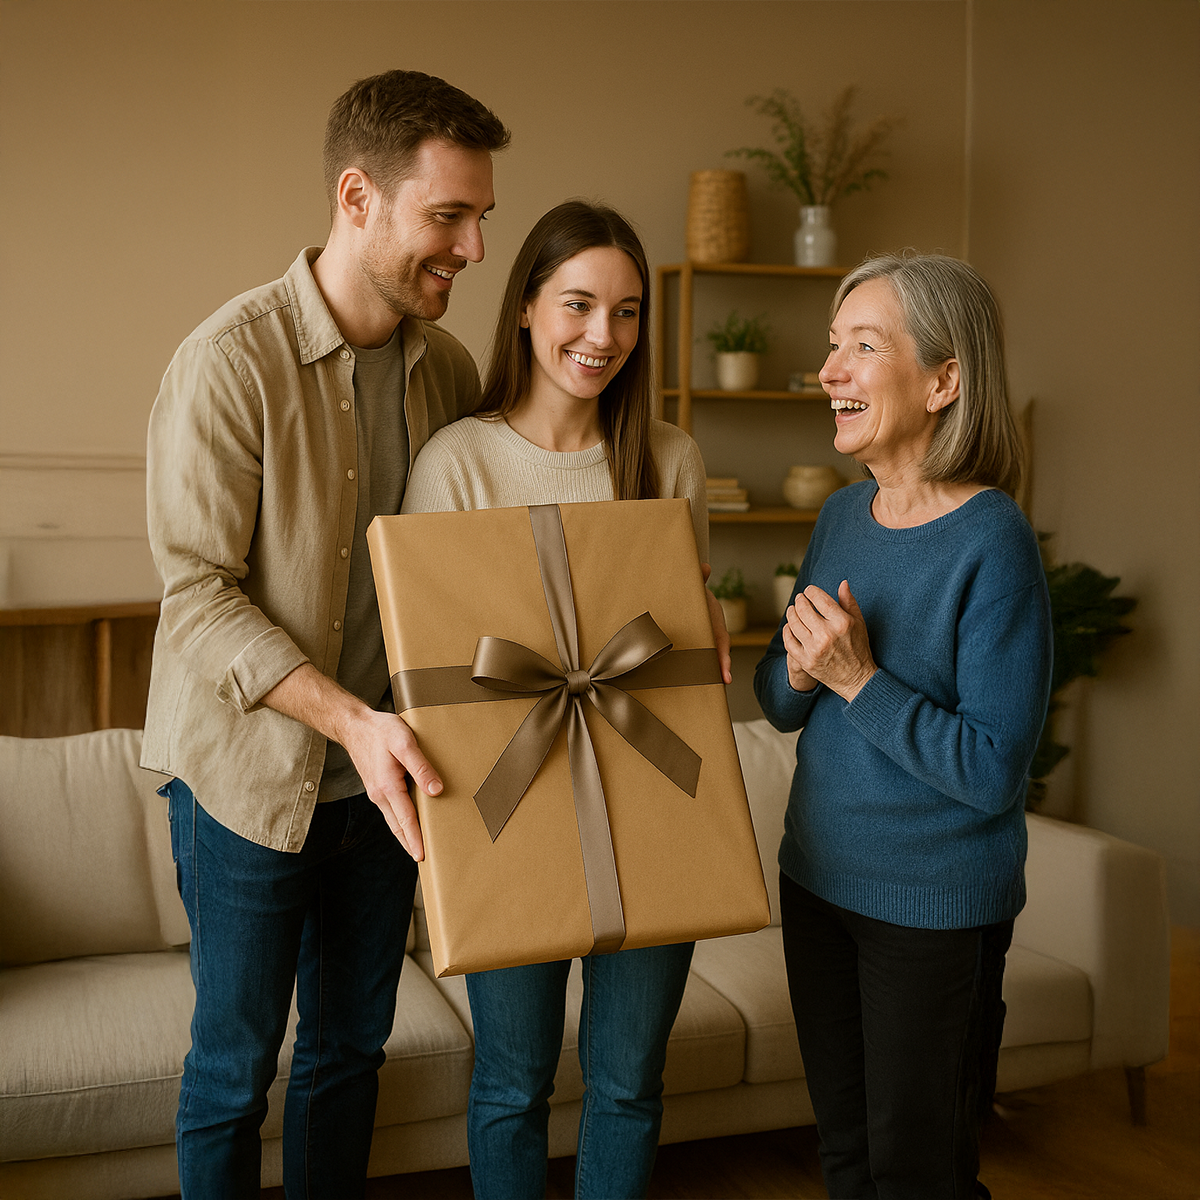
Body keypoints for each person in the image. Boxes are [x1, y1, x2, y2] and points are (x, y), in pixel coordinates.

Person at [141, 70, 509, 1199]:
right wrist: (352, 722)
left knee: (350, 1055)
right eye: (448, 216)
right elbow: (196, 596)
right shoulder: (228, 362)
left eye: (481, 217)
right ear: (358, 198)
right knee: (233, 1070)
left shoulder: (450, 373)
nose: (474, 249)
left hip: (387, 786)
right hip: (245, 782)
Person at [402, 200, 730, 1200]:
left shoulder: (670, 459)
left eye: (627, 312)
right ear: (525, 308)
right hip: (508, 809)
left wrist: (711, 625)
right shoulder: (457, 461)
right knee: (512, 1084)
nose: (603, 335)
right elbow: (434, 670)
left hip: (655, 807)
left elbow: (687, 644)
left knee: (629, 1084)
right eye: (579, 304)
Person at [753, 253, 1052, 1200]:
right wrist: (805, 670)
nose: (829, 371)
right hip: (816, 882)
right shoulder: (843, 515)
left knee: (920, 1176)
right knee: (845, 1156)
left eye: (864, 346)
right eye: (831, 346)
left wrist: (858, 679)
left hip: (931, 912)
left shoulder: (993, 539)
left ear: (944, 381)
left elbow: (994, 768)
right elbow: (778, 700)